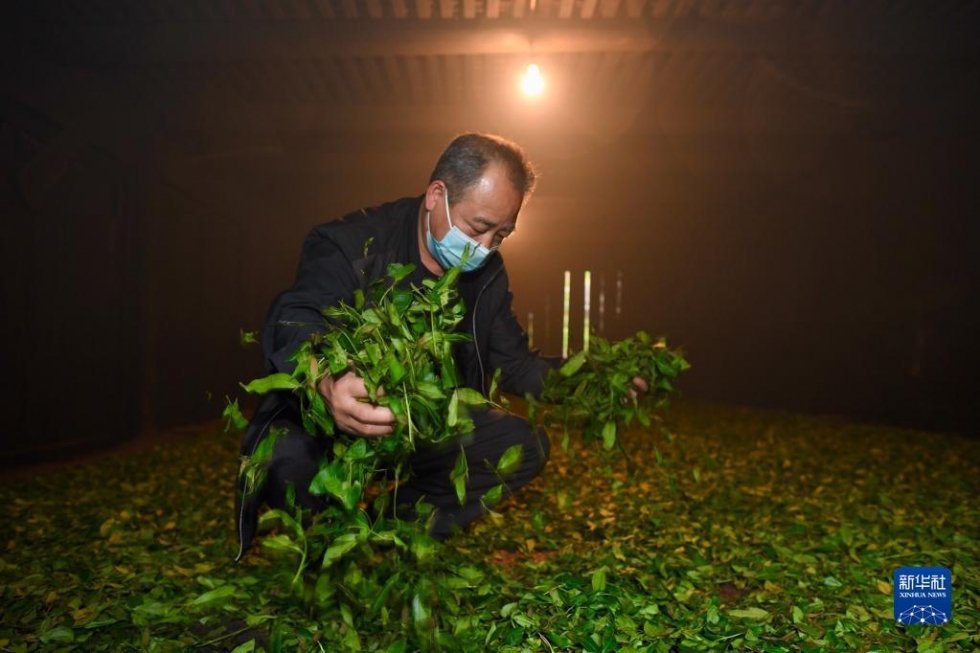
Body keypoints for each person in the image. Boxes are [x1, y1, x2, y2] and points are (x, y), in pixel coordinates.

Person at [235, 133, 558, 560]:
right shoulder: (352, 243)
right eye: (478, 228)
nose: (484, 249)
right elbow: (297, 314)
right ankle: (323, 545)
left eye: (501, 235)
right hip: (338, 415)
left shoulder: (487, 277)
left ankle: (391, 531)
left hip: (420, 421)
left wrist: (588, 378)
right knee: (286, 456)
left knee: (523, 445)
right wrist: (326, 378)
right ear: (436, 195)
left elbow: (514, 363)